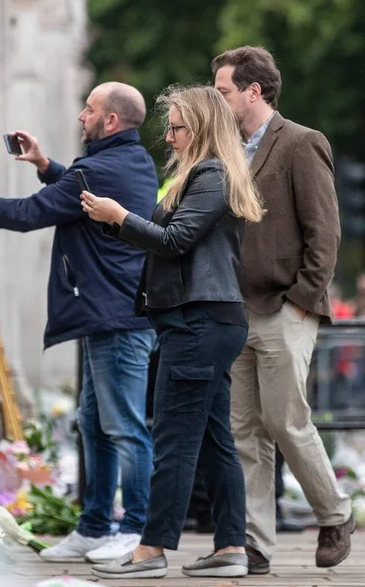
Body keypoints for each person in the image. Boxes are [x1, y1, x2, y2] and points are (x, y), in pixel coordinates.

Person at [0, 82, 158, 563]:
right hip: (112, 317)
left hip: (118, 320)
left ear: (111, 121)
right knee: (94, 425)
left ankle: (137, 532)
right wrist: (43, 165)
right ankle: (95, 527)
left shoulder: (98, 169)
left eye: (90, 109)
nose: (82, 115)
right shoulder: (132, 161)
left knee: (124, 428)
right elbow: (74, 187)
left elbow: (32, 213)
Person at [82, 84, 264, 580]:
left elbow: (176, 240)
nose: (169, 135)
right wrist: (114, 221)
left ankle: (151, 550)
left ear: (200, 128)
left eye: (177, 127)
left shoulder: (212, 173)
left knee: (174, 440)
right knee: (211, 440)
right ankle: (230, 548)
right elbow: (171, 237)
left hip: (198, 321)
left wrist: (121, 217)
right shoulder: (202, 175)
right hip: (204, 320)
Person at [212, 45, 353, 574]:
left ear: (254, 90)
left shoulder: (301, 143)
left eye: (224, 91)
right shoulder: (224, 149)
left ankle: (335, 514)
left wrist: (302, 300)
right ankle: (255, 546)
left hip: (284, 306)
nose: (218, 100)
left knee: (286, 420)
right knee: (243, 430)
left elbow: (326, 232)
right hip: (234, 309)